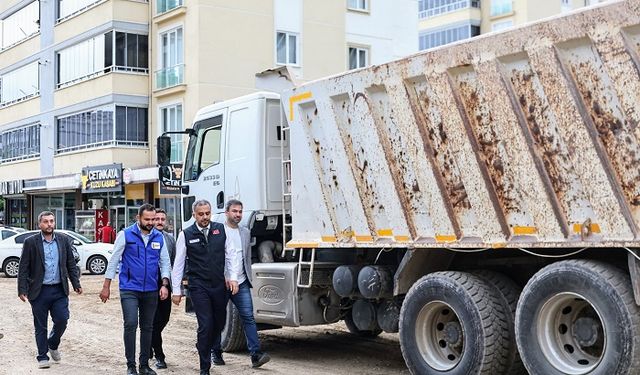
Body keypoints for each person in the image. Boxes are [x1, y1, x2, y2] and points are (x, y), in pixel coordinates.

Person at [100, 204, 172, 375]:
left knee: (148, 327)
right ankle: (131, 365)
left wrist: (164, 284)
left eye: (153, 219)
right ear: (138, 218)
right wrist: (106, 286)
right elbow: (114, 260)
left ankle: (144, 365)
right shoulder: (125, 235)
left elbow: (165, 263)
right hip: (129, 288)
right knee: (131, 324)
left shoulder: (158, 237)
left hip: (151, 290)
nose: (150, 222)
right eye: (147, 219)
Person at [17, 211, 83, 369]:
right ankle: (42, 356)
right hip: (39, 291)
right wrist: (22, 289)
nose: (49, 224)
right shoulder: (31, 242)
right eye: (45, 221)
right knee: (40, 325)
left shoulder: (63, 240)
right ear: (39, 224)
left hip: (59, 290)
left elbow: (70, 264)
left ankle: (52, 344)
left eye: (51, 221)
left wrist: (76, 283)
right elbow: (23, 267)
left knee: (62, 319)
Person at [171, 200, 228, 375]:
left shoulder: (221, 229)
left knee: (220, 322)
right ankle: (205, 367)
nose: (205, 217)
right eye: (201, 214)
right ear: (194, 215)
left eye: (207, 213)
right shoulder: (186, 234)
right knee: (205, 324)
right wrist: (176, 290)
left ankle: (204, 343)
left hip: (219, 285)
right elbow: (178, 264)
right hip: (198, 286)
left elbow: (230, 254)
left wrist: (232, 278)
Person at [212, 199, 270, 368]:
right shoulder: (217, 231)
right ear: (226, 212)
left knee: (248, 317)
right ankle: (216, 351)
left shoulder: (245, 232)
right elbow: (215, 258)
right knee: (219, 319)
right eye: (234, 211)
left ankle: (255, 355)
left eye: (240, 211)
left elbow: (245, 257)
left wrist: (245, 276)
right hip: (222, 282)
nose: (238, 214)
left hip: (242, 281)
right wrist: (224, 277)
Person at [149, 209, 176, 369]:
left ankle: (151, 341)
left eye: (162, 219)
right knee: (152, 321)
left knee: (163, 319)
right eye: (156, 219)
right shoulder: (146, 237)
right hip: (149, 285)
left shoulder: (170, 239)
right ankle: (160, 356)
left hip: (166, 284)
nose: (159, 221)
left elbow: (173, 262)